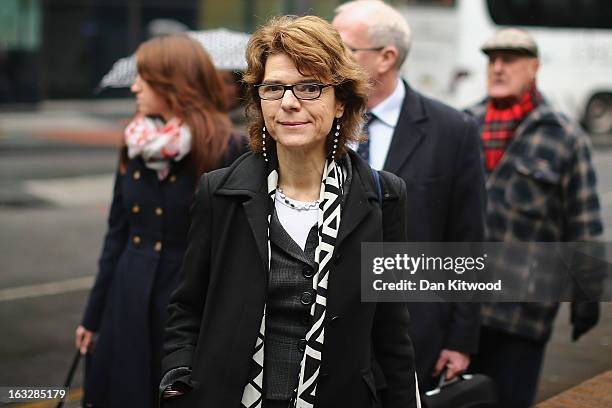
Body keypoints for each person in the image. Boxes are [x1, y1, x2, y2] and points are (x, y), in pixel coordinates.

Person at [159, 15, 420, 408]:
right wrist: (178, 380)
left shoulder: (384, 197)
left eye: (310, 87)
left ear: (341, 104)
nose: (289, 102)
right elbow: (187, 307)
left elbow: (391, 331)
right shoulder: (219, 192)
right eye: (274, 88)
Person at [74, 34, 243, 408]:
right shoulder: (135, 141)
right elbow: (116, 234)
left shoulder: (228, 149)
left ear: (173, 83)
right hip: (127, 298)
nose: (135, 86)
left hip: (187, 305)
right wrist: (93, 316)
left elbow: (235, 250)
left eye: (144, 78)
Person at [332, 0, 485, 392]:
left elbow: (466, 241)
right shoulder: (315, 119)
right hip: (326, 328)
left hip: (415, 331)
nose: (327, 58)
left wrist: (460, 339)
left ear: (386, 58)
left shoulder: (453, 131)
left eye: (342, 48)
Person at [466, 28, 603, 408]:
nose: (497, 68)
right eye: (492, 60)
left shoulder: (563, 136)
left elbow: (585, 221)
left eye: (509, 60)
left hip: (522, 312)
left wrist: (586, 295)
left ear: (534, 68)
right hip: (461, 307)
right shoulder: (464, 125)